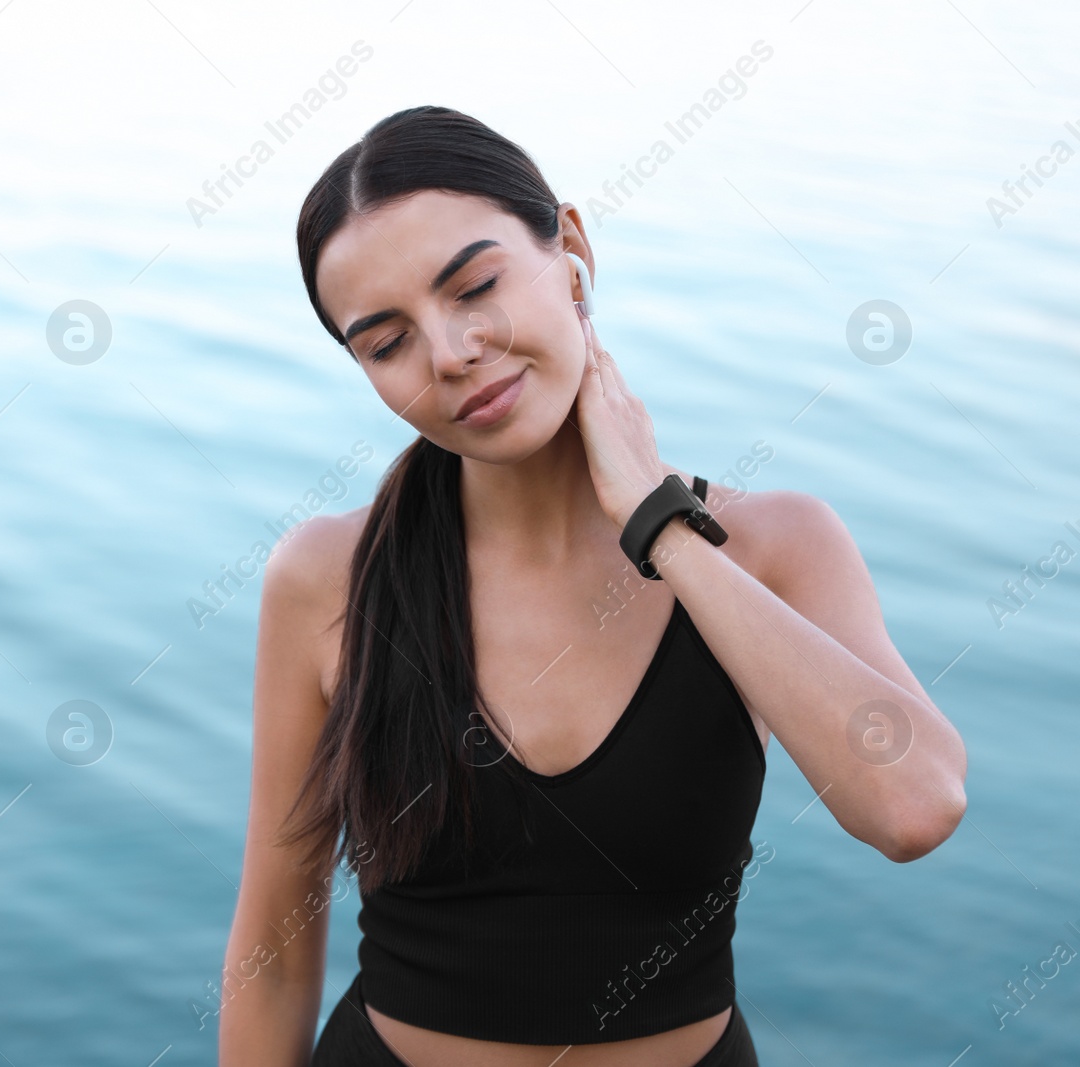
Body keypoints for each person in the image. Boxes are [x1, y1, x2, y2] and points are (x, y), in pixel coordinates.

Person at [217, 105, 967, 1067]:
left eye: (476, 285)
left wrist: (664, 531)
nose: (450, 353)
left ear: (571, 249)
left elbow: (915, 807)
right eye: (387, 341)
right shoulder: (327, 578)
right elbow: (273, 953)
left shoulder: (775, 544)